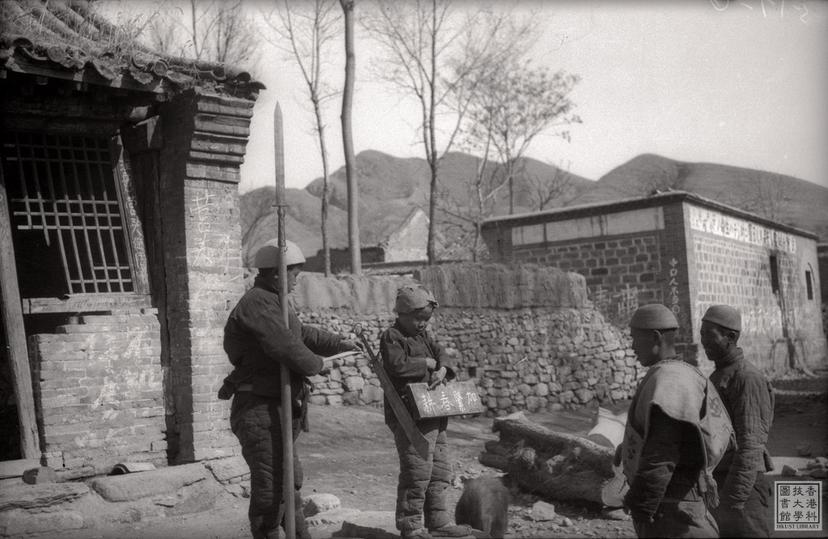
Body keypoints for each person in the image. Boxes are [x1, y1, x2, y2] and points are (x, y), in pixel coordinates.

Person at [221, 239, 361, 539]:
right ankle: (268, 532)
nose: (297, 281)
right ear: (276, 274)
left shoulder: (276, 300)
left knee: (290, 480)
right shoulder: (258, 302)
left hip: (279, 408)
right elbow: (282, 344)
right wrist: (316, 364)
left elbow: (300, 334)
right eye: (294, 275)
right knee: (271, 484)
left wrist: (338, 342)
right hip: (258, 409)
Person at [620, 304, 733, 538]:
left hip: (673, 512)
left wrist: (640, 506)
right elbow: (671, 438)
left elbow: (662, 453)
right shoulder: (684, 373)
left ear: (655, 337)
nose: (632, 347)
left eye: (634, 339)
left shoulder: (669, 382)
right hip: (679, 503)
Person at [379, 285, 472, 539]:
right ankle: (411, 526)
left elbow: (440, 351)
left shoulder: (423, 336)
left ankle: (439, 522)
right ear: (403, 313)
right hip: (409, 415)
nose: (422, 324)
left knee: (440, 469)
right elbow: (397, 366)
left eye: (426, 320)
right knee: (416, 471)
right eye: (418, 319)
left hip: (434, 411)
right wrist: (427, 364)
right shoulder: (392, 336)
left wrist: (442, 367)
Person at [701, 305, 775, 538]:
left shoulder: (746, 378)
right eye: (701, 334)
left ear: (730, 337)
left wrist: (733, 500)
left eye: (708, 334)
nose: (703, 341)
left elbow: (751, 446)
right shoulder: (718, 376)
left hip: (744, 489)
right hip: (724, 482)